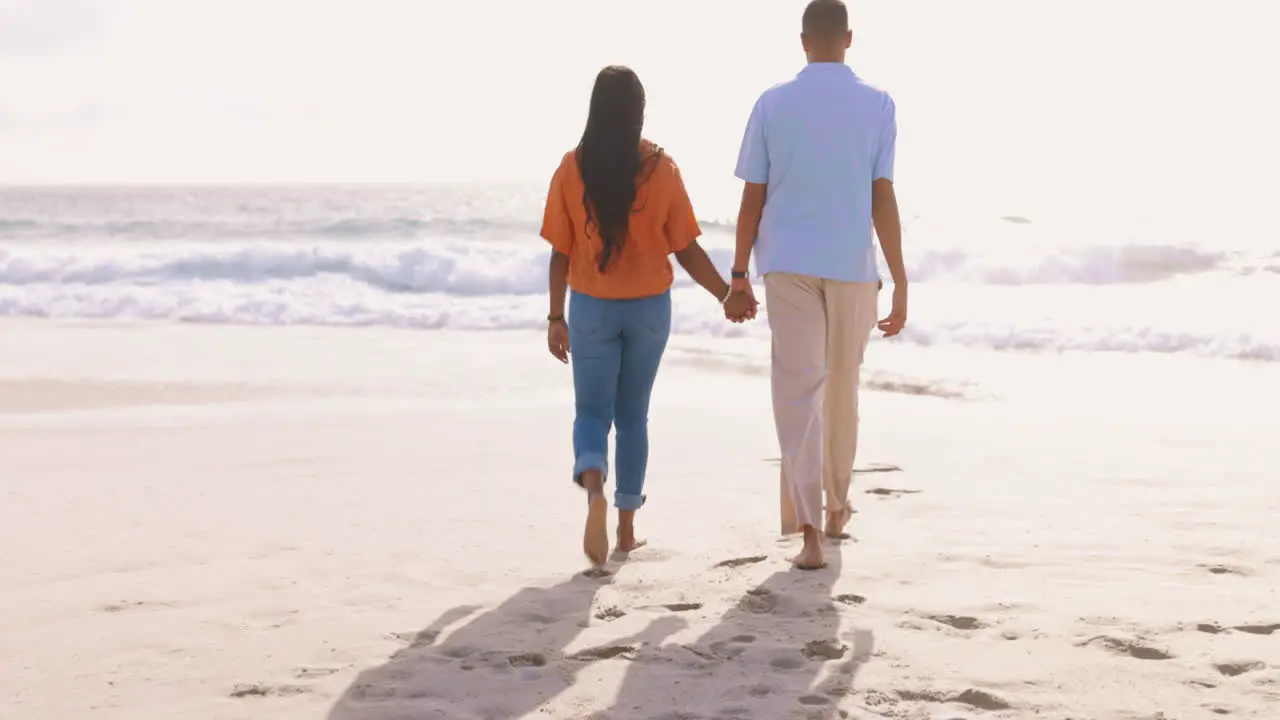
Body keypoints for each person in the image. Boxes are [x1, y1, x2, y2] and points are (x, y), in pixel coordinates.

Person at [541, 65, 757, 568]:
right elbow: (686, 249)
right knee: (632, 416)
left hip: (591, 307)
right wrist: (727, 293)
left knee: (592, 413)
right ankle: (625, 530)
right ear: (639, 112)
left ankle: (593, 482)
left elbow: (558, 252)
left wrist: (555, 316)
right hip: (648, 311)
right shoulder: (661, 169)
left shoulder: (573, 167)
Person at [729, 0, 908, 570]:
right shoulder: (878, 104)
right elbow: (882, 195)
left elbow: (752, 197)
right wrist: (900, 280)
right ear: (848, 39)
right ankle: (836, 509)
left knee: (798, 391)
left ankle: (810, 529)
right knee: (841, 394)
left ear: (803, 41)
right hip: (853, 266)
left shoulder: (771, 102)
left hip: (787, 263)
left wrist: (738, 274)